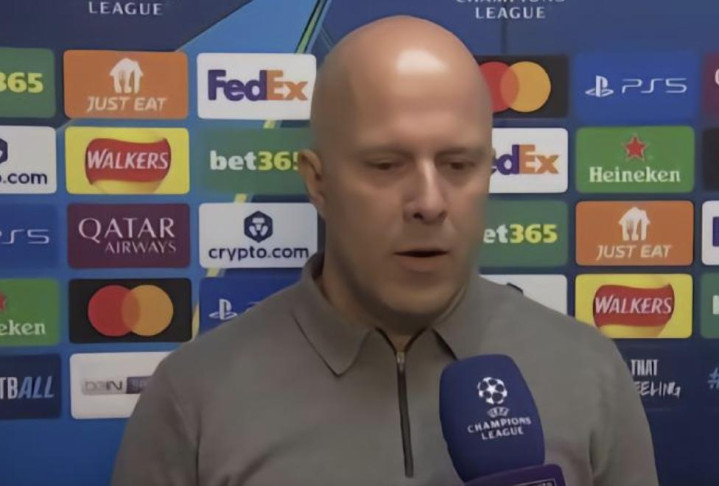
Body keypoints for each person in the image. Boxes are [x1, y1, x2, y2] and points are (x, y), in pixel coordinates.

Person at [111, 15, 659, 486]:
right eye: (386, 165)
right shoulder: (194, 398)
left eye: (458, 165)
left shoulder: (589, 373)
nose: (429, 202)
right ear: (318, 182)